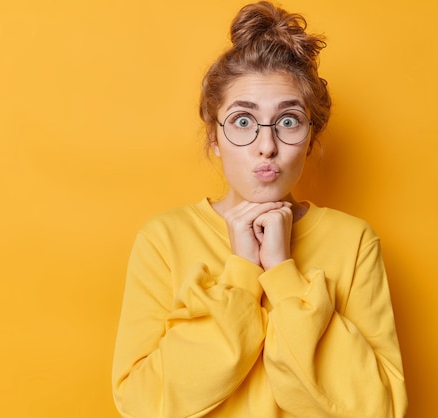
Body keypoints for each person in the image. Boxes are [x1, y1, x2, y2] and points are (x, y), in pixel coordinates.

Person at [112, 2, 407, 417]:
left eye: (287, 121)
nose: (266, 146)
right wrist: (242, 271)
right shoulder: (164, 239)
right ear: (214, 136)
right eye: (243, 121)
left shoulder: (354, 241)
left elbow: (380, 409)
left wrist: (283, 272)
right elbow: (142, 405)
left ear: (310, 138)